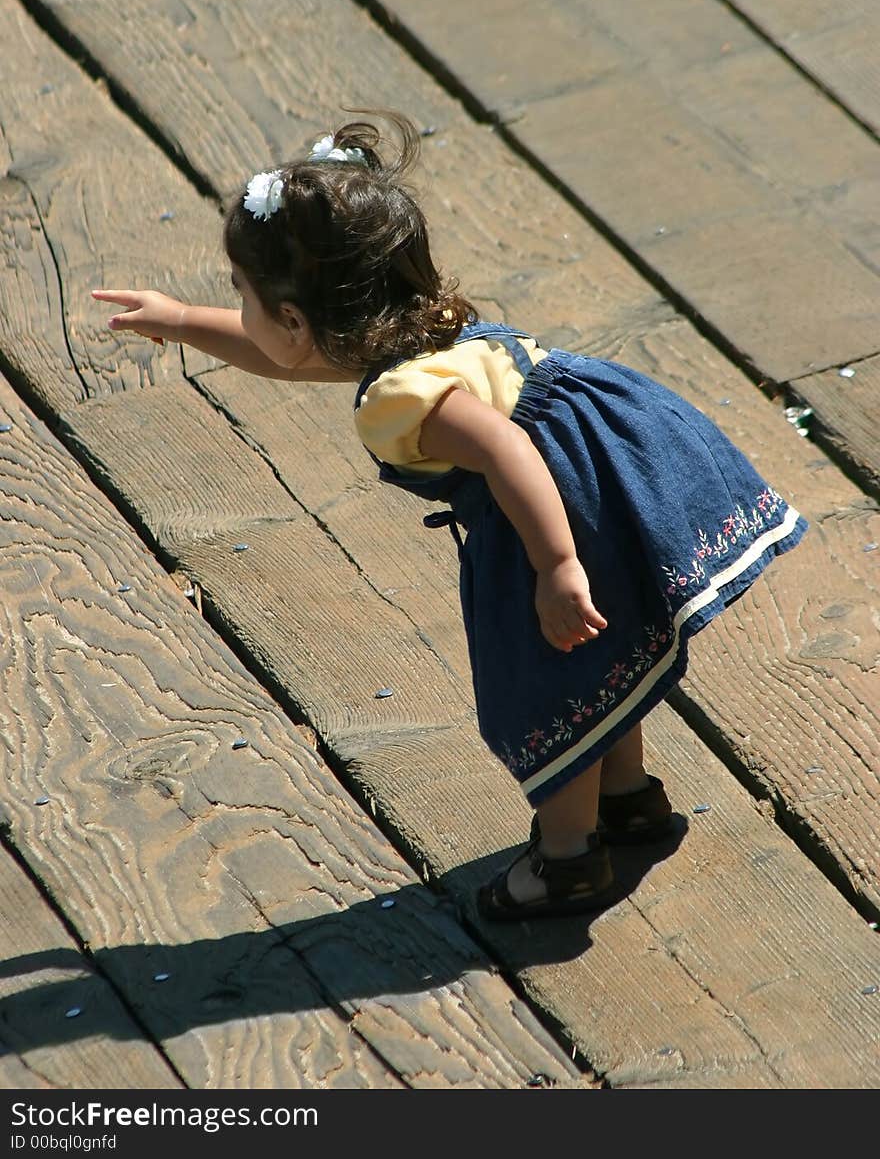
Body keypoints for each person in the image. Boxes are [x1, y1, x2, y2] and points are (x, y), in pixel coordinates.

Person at [93, 112, 808, 922]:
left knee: (550, 684)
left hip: (549, 512)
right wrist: (182, 319)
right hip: (603, 473)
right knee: (595, 655)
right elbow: (291, 358)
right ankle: (629, 798)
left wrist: (555, 566)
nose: (240, 311)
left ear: (297, 319)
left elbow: (503, 449)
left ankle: (569, 860)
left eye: (240, 297)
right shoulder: (423, 326)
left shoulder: (402, 397)